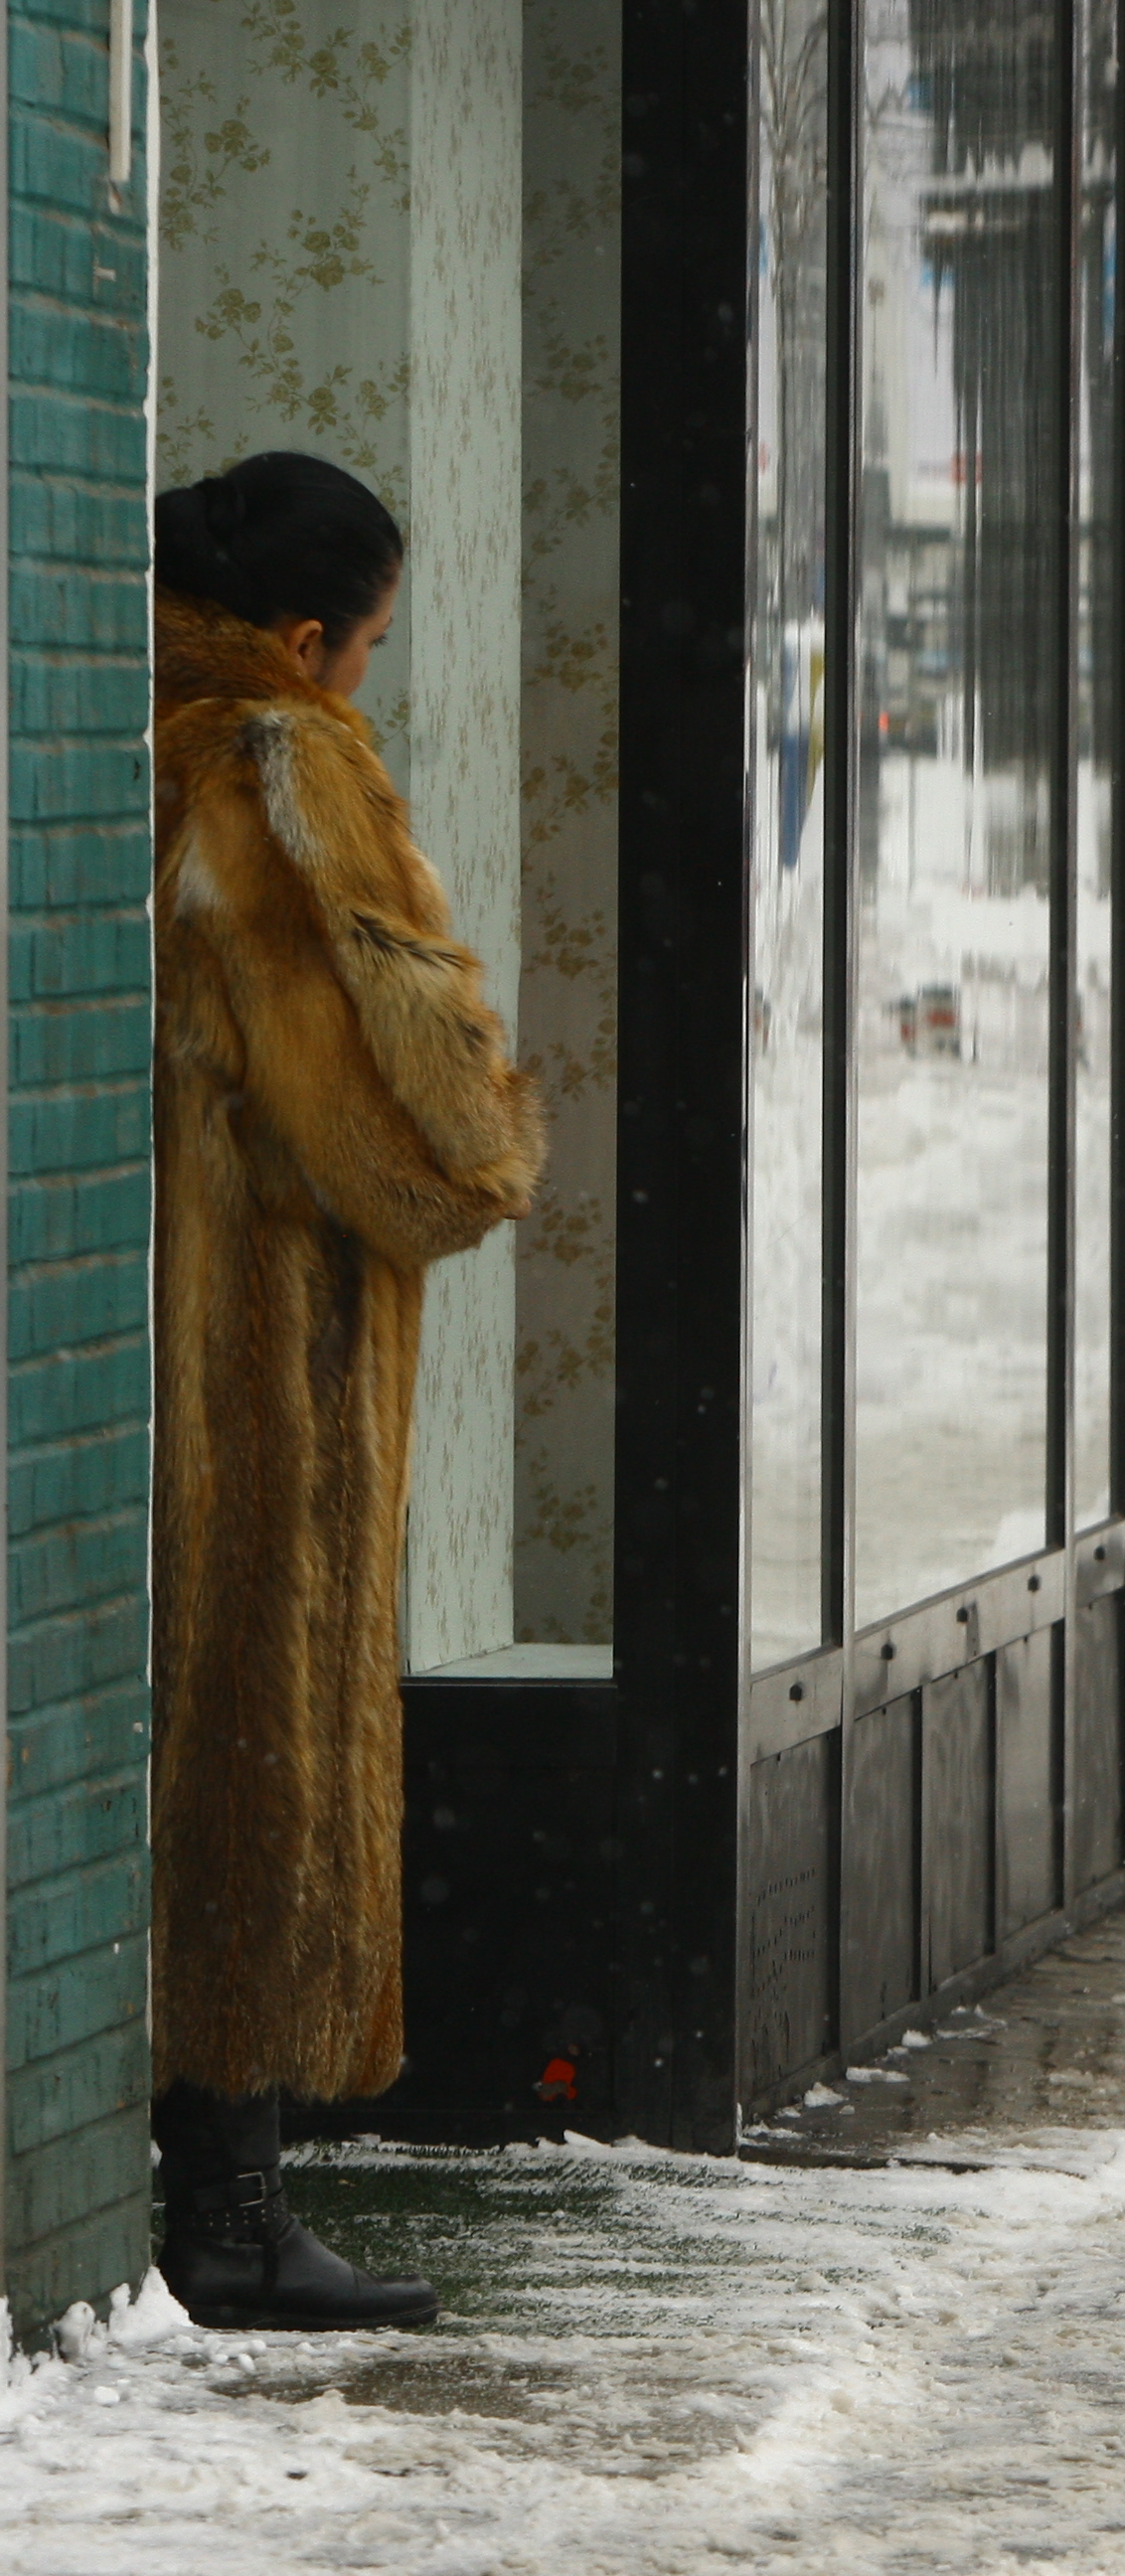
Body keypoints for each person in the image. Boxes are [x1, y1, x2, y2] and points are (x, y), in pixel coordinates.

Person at [149, 454, 547, 2327]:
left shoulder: (101, 725)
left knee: (175, 1741)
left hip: (138, 1332)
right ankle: (224, 2211)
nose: (367, 681)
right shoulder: (279, 769)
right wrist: (492, 1132)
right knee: (253, 1745)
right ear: (306, 638)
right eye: (368, 644)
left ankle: (192, 2191)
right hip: (262, 1344)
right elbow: (417, 1138)